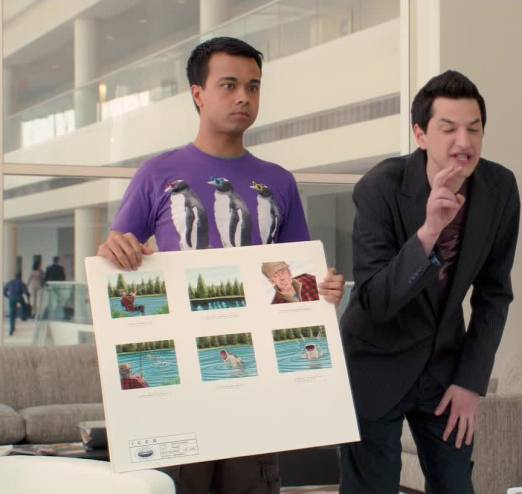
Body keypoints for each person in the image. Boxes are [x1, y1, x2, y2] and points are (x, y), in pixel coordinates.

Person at [96, 36, 344, 494]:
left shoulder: (279, 182)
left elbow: (293, 281)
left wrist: (321, 291)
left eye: (253, 86)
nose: (243, 97)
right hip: (178, 381)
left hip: (253, 381)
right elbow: (116, 253)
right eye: (229, 85)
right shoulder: (156, 174)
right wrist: (117, 251)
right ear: (198, 94)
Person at [339, 70, 520, 493]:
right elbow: (375, 299)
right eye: (449, 128)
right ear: (420, 135)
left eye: (474, 128)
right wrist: (430, 231)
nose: (464, 141)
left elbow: (494, 294)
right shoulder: (379, 188)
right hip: (375, 362)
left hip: (444, 367)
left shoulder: (500, 188)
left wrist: (471, 382)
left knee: (456, 486)